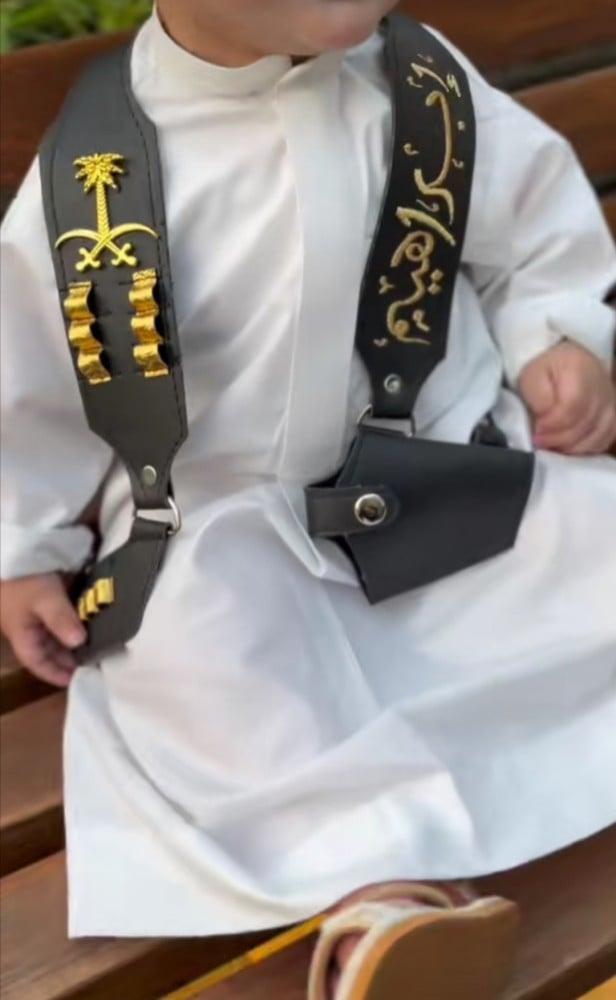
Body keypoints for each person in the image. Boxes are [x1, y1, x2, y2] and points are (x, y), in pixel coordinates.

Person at [1, 1, 615, 996]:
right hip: (219, 526)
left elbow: (528, 229)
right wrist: (22, 545)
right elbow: (26, 377)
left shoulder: (420, 81)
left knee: (590, 537)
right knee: (209, 668)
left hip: (443, 486)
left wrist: (555, 333)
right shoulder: (97, 172)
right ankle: (386, 892)